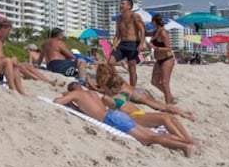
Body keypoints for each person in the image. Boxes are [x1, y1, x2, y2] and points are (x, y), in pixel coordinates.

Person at [53, 83, 195, 156]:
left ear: (72, 89)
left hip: (111, 119)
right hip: (116, 114)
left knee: (149, 139)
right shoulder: (91, 93)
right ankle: (189, 141)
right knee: (153, 135)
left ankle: (185, 146)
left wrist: (68, 98)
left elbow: (58, 101)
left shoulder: (76, 94)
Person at [96, 64, 194, 141]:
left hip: (140, 113)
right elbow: (105, 103)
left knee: (170, 116)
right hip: (134, 117)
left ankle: (188, 138)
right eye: (117, 86)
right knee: (165, 117)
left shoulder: (116, 92)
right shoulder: (109, 97)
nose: (119, 88)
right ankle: (184, 140)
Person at [94, 62, 195, 120]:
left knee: (161, 107)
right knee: (159, 105)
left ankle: (183, 113)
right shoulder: (116, 77)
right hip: (139, 91)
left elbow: (103, 90)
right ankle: (182, 111)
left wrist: (89, 83)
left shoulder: (108, 81)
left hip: (136, 96)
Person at [0, 21, 58, 85]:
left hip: (2, 62)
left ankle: (47, 80)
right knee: (21, 66)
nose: (8, 33)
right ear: (3, 28)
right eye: (8, 31)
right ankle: (41, 80)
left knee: (27, 65)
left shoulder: (1, 40)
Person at [108, 0, 146, 87]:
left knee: (131, 67)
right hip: (122, 44)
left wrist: (141, 43)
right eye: (120, 4)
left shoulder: (135, 16)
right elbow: (117, 34)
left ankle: (132, 88)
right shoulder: (119, 19)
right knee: (110, 63)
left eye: (123, 4)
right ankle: (117, 82)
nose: (120, 5)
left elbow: (142, 30)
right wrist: (114, 44)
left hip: (133, 43)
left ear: (129, 6)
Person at [149, 14, 177, 106]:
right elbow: (145, 32)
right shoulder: (155, 32)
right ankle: (170, 96)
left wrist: (155, 48)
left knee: (165, 83)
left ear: (154, 22)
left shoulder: (163, 33)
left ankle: (168, 104)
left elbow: (169, 48)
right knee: (154, 81)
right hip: (159, 60)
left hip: (167, 59)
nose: (151, 23)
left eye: (152, 22)